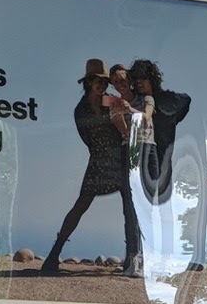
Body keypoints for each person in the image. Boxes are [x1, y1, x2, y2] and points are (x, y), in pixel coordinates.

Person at [39, 59, 144, 279]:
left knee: (129, 206)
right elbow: (86, 137)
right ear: (89, 82)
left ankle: (131, 257)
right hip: (98, 161)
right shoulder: (81, 110)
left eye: (104, 82)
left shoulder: (111, 101)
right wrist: (101, 149)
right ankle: (54, 253)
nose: (102, 85)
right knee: (81, 205)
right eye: (98, 81)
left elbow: (124, 125)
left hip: (120, 159)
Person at [128, 60, 191, 205]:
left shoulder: (166, 100)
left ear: (151, 78)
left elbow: (186, 100)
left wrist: (171, 118)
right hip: (138, 165)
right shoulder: (135, 102)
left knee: (160, 205)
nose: (139, 82)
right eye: (136, 79)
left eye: (143, 77)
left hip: (161, 167)